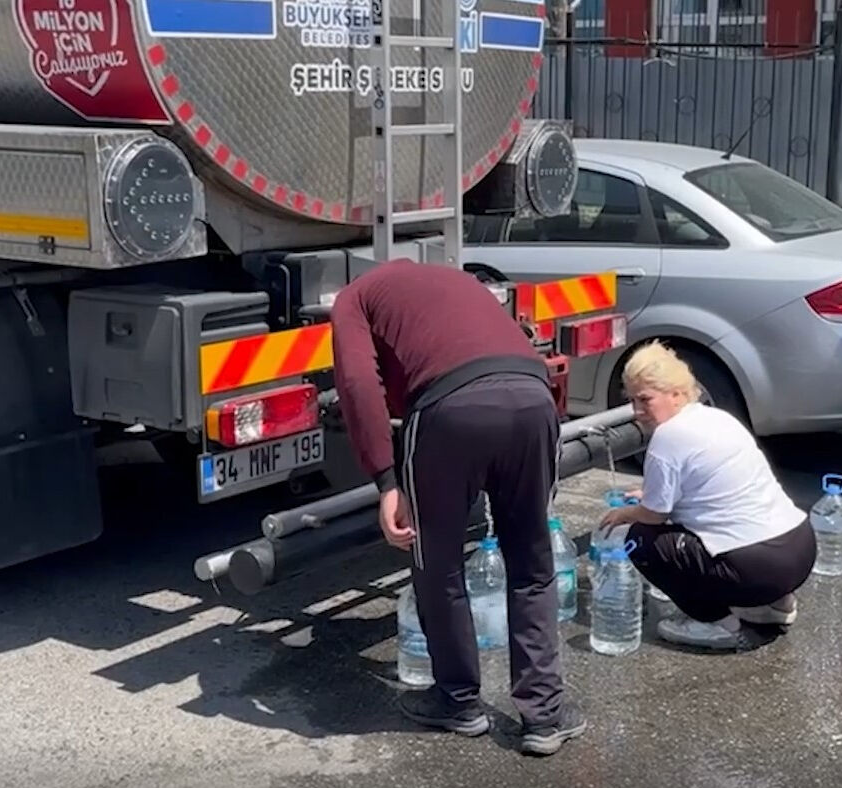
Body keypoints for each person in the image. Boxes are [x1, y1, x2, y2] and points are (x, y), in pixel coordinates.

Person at [331, 258, 586, 756]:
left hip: (450, 412)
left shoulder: (353, 299)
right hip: (533, 400)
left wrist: (386, 480)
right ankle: (544, 717)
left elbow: (360, 384)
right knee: (532, 563)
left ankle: (457, 701)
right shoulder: (454, 279)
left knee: (438, 565)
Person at [598, 340, 817, 651]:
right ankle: (778, 606)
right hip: (799, 550)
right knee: (714, 532)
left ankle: (718, 626)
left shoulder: (666, 437)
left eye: (645, 400)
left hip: (757, 566)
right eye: (632, 401)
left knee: (641, 540)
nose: (637, 411)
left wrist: (625, 513)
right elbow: (711, 482)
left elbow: (654, 515)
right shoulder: (716, 418)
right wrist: (649, 494)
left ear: (675, 393)